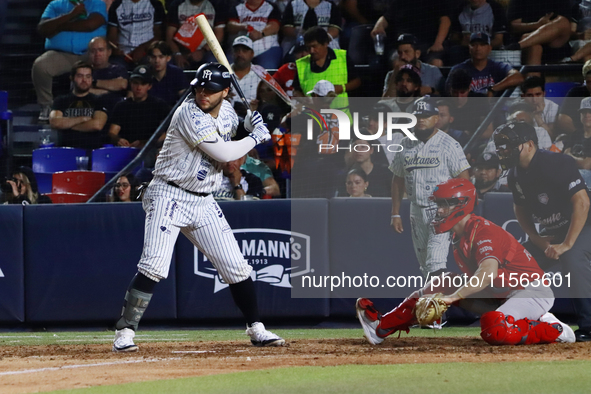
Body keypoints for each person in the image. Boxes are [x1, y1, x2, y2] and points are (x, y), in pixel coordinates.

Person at [111, 62, 284, 352]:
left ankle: (256, 329)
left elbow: (233, 127)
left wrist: (249, 123)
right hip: (169, 194)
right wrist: (255, 136)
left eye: (211, 89)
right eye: (200, 87)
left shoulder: (228, 109)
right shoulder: (188, 113)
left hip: (203, 199)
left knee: (237, 267)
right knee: (154, 265)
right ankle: (124, 333)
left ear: (225, 92)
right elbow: (224, 152)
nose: (203, 93)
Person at [356, 178, 575, 346]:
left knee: (493, 328)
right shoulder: (459, 235)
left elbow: (487, 272)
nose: (439, 210)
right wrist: (445, 295)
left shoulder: (482, 232)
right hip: (502, 293)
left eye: (444, 204)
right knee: (442, 283)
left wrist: (453, 297)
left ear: (461, 205)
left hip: (530, 291)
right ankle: (381, 328)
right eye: (439, 204)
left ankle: (556, 329)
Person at [493, 121, 591, 342]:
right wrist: (538, 241)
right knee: (515, 263)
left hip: (586, 224)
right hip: (555, 231)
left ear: (529, 145)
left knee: (573, 257)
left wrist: (566, 244)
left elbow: (583, 203)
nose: (503, 151)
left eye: (508, 145)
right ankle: (516, 318)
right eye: (500, 146)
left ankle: (589, 327)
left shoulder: (557, 162)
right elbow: (520, 210)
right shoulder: (515, 174)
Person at [390, 97, 471, 277]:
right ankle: (433, 303)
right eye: (418, 116)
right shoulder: (405, 144)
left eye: (426, 116)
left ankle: (436, 302)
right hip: (416, 210)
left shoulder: (449, 144)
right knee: (425, 266)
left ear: (436, 118)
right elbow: (397, 178)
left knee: (435, 263)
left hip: (442, 210)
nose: (421, 120)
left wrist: (460, 213)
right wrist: (395, 212)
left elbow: (464, 179)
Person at [33, 0, 107, 122]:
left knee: (100, 55)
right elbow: (42, 29)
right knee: (40, 66)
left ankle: (98, 107)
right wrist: (70, 15)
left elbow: (90, 25)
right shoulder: (55, 5)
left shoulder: (96, 3)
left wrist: (59, 25)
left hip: (88, 54)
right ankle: (46, 106)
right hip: (61, 54)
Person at [293, 26, 361, 105]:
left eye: (314, 46)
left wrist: (342, 88)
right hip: (313, 114)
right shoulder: (301, 64)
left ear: (326, 43)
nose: (311, 51)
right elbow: (296, 90)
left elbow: (357, 81)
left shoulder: (342, 57)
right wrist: (303, 100)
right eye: (308, 47)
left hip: (340, 114)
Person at [370, 0, 451, 67]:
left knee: (436, 63)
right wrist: (378, 26)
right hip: (403, 45)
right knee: (398, 63)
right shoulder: (400, 2)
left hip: (428, 45)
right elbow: (386, 18)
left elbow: (445, 21)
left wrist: (438, 43)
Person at [108, 65, 171, 150]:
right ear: (131, 84)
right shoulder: (121, 106)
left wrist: (145, 143)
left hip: (150, 150)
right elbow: (113, 132)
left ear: (149, 86)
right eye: (136, 83)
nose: (139, 88)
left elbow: (167, 133)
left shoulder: (159, 105)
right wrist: (119, 140)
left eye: (143, 84)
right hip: (126, 149)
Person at [49, 61, 108, 151]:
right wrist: (82, 119)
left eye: (88, 76)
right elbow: (55, 123)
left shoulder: (99, 100)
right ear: (72, 78)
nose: (84, 80)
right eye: (80, 76)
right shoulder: (60, 100)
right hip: (65, 150)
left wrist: (68, 125)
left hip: (92, 151)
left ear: (92, 79)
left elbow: (97, 125)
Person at [447, 32, 524, 96]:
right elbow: (448, 91)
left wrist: (493, 89)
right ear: (469, 48)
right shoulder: (458, 69)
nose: (478, 48)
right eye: (474, 45)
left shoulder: (497, 66)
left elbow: (518, 77)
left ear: (489, 48)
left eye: (482, 45)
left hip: (494, 108)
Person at [505, 0, 572, 65]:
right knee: (535, 47)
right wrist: (536, 25)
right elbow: (513, 27)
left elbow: (566, 27)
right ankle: (533, 76)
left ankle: (519, 45)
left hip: (555, 43)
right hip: (527, 44)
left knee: (563, 22)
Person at [166, 0, 223, 69]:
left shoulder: (215, 4)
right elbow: (169, 36)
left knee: (215, 62)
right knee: (169, 65)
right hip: (182, 50)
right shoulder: (177, 4)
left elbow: (219, 35)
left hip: (208, 50)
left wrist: (203, 51)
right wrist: (177, 54)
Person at [447, 0, 508, 65]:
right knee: (455, 51)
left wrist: (482, 46)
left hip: (490, 50)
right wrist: (462, 41)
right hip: (466, 50)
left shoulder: (495, 8)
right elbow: (454, 36)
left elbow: (498, 40)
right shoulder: (460, 9)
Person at [107, 0, 165, 67]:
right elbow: (112, 35)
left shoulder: (155, 4)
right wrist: (115, 49)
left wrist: (143, 48)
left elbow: (159, 35)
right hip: (123, 53)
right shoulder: (116, 4)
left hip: (148, 51)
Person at [226, 0, 283, 69]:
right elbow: (230, 26)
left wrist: (261, 33)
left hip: (267, 48)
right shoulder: (238, 6)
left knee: (268, 70)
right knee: (228, 69)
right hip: (241, 48)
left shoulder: (271, 7)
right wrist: (243, 26)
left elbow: (275, 26)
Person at [87, 36, 129, 113]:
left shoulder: (118, 69)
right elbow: (78, 90)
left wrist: (93, 83)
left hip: (114, 109)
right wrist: (108, 89)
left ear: (109, 52)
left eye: (101, 50)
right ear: (89, 53)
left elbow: (122, 84)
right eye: (93, 51)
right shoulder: (83, 70)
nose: (97, 54)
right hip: (89, 109)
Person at [147, 41, 190, 107]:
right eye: (153, 57)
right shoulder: (145, 73)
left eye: (161, 57)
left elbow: (184, 99)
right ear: (149, 58)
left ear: (168, 58)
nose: (157, 61)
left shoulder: (177, 73)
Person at [556, 60, 591, 134]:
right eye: (589, 82)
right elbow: (563, 119)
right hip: (580, 136)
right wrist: (579, 136)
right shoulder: (576, 93)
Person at [563, 97, 591, 187]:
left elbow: (586, 165)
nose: (587, 115)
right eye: (583, 112)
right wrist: (581, 160)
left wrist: (570, 156)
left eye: (590, 112)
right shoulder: (576, 134)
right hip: (573, 173)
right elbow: (564, 155)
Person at [520, 76, 559, 140]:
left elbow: (551, 137)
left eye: (538, 94)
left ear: (544, 94)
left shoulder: (553, 107)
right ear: (523, 96)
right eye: (530, 95)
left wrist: (537, 116)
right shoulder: (517, 108)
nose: (534, 100)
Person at [229, 36, 261, 114]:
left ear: (252, 54)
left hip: (253, 116)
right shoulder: (223, 72)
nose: (240, 54)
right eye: (237, 50)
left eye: (244, 50)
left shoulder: (260, 74)